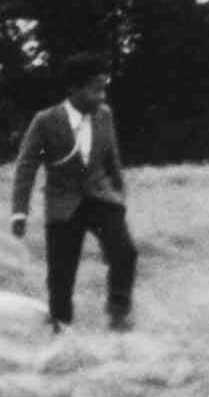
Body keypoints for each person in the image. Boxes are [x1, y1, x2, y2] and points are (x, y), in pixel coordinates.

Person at [9, 52, 136, 332]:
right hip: (63, 205)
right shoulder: (45, 121)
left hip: (102, 199)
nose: (102, 96)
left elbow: (112, 161)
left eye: (104, 88)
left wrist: (120, 200)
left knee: (125, 253)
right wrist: (19, 212)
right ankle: (61, 329)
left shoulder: (105, 115)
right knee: (61, 275)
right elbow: (26, 166)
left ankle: (118, 316)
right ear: (74, 89)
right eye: (95, 89)